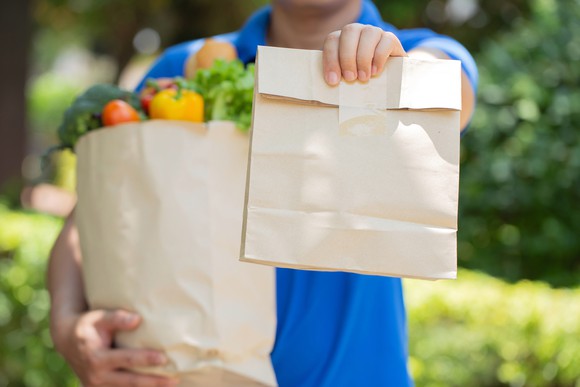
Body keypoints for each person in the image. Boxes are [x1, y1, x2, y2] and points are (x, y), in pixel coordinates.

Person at [48, 1, 477, 386]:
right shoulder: (182, 68)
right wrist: (67, 324)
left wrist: (394, 67)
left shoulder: (416, 51)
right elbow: (94, 214)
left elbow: (449, 83)